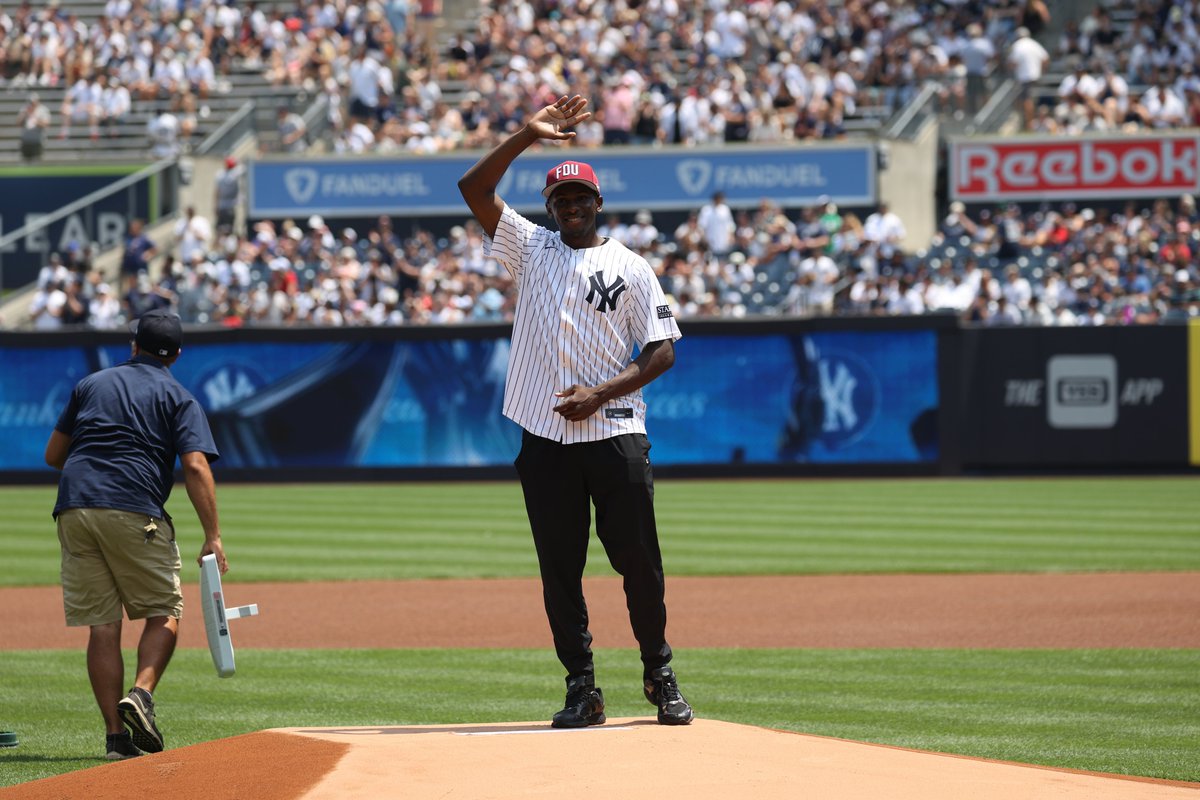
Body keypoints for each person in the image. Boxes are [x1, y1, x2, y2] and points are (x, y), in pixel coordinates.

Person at [457, 95, 693, 729]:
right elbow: (473, 186)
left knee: (639, 562)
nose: (569, 207)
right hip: (544, 439)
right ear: (550, 208)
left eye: (579, 198)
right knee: (560, 572)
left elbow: (663, 351)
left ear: (598, 202)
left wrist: (602, 393)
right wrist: (526, 136)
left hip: (615, 434)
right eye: (559, 200)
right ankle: (582, 688)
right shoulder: (530, 248)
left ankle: (658, 670)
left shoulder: (632, 267)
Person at [44, 309, 226, 760]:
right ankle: (141, 696)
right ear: (177, 354)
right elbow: (196, 465)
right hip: (133, 507)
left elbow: (53, 455)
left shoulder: (91, 384)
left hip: (74, 507)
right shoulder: (179, 396)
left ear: (133, 345)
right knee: (164, 609)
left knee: (103, 627)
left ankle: (115, 739)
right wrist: (213, 535)